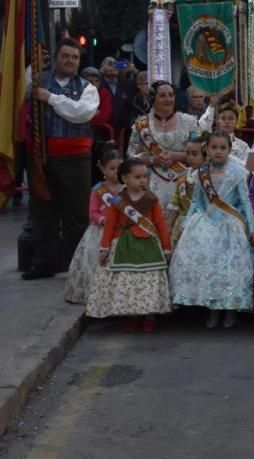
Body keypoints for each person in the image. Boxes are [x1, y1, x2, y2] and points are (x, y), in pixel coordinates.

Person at [23, 38, 100, 280]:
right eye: (65, 56)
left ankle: (76, 266)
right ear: (55, 58)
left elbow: (81, 113)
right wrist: (31, 65)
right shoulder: (38, 80)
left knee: (76, 214)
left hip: (76, 158)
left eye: (74, 57)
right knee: (43, 211)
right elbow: (20, 88)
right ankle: (45, 263)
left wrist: (51, 98)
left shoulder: (87, 88)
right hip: (42, 155)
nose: (69, 61)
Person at [170, 132, 254, 329]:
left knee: (229, 269)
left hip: (230, 224)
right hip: (206, 221)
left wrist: (252, 229)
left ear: (229, 149)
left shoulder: (237, 173)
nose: (218, 151)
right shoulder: (201, 174)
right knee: (208, 268)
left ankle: (230, 310)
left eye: (223, 148)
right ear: (207, 150)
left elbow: (245, 202)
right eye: (214, 148)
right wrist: (187, 223)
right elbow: (196, 202)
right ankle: (212, 309)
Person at [86, 158, 173, 332]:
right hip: (124, 245)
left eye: (145, 177)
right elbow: (110, 224)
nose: (142, 180)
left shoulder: (151, 199)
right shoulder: (118, 200)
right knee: (129, 281)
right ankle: (132, 316)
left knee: (148, 281)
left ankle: (149, 317)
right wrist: (104, 248)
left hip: (148, 245)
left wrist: (166, 247)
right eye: (137, 177)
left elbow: (160, 224)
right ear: (125, 178)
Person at [127, 81, 202, 209]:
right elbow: (130, 155)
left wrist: (175, 156)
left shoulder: (189, 122)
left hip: (184, 178)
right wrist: (153, 159)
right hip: (150, 180)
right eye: (162, 96)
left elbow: (201, 152)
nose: (168, 99)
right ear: (153, 99)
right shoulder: (141, 125)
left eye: (171, 95)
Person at [64, 148, 123, 304]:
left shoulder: (126, 189)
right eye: (112, 168)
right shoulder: (98, 190)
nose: (116, 172)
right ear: (102, 169)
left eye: (119, 168)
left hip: (121, 231)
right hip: (100, 232)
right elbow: (93, 212)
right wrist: (102, 220)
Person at [166, 134, 207, 248]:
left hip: (202, 224)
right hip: (181, 223)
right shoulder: (183, 175)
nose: (190, 158)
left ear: (206, 154)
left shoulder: (210, 177)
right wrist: (168, 225)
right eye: (188, 154)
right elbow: (176, 202)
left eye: (194, 154)